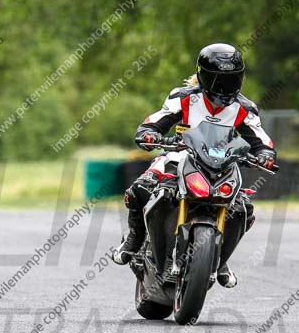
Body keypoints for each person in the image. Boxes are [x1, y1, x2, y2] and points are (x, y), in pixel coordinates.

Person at [111, 43, 277, 288]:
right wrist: (148, 134)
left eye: (231, 81)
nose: (224, 88)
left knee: (243, 209)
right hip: (180, 157)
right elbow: (156, 121)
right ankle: (134, 239)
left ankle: (220, 260)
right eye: (219, 80)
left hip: (223, 166)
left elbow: (261, 140)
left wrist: (265, 154)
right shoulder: (184, 97)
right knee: (140, 189)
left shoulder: (245, 108)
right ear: (203, 76)